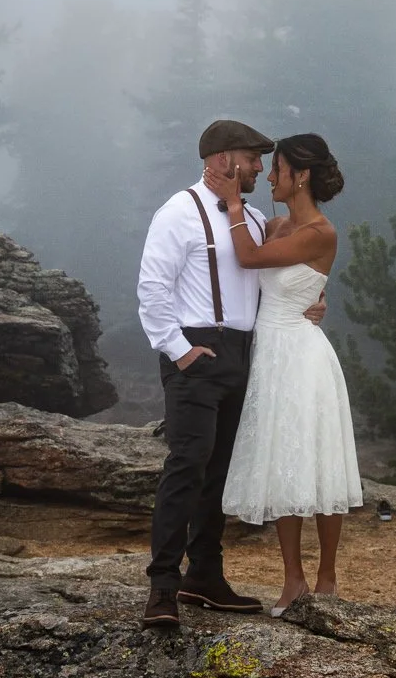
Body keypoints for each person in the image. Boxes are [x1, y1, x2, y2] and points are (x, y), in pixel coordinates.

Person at [136, 119, 327, 628]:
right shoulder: (178, 212)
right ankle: (162, 588)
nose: (262, 168)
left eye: (267, 161)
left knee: (219, 471)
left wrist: (313, 298)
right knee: (188, 463)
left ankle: (205, 577)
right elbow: (152, 288)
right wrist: (179, 351)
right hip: (198, 352)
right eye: (254, 158)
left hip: (248, 353)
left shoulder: (257, 217)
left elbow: (278, 275)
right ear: (223, 159)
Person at [204, 133, 361, 615]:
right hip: (270, 356)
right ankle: (293, 579)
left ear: (302, 175)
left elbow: (247, 258)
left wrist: (232, 205)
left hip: (301, 354)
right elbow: (256, 278)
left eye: (278, 169)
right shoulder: (274, 227)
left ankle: (327, 577)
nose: (269, 177)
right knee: (285, 463)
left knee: (320, 461)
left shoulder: (321, 232)